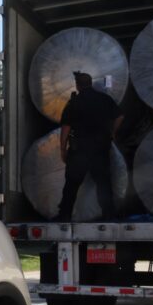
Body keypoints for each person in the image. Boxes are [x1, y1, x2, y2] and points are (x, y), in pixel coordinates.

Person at [56, 70, 123, 220]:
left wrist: (62, 149)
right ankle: (109, 215)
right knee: (103, 183)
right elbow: (120, 116)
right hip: (100, 149)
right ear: (90, 83)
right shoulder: (104, 99)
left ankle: (64, 215)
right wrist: (113, 132)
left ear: (78, 86)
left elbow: (66, 128)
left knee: (72, 185)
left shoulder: (74, 103)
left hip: (79, 150)